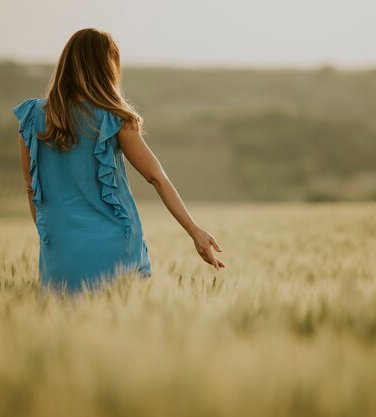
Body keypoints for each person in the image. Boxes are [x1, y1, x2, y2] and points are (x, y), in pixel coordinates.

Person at [13, 28, 225, 294]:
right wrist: (195, 231)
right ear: (105, 68)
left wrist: (51, 239)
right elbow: (157, 177)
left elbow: (32, 189)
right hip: (115, 252)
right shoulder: (114, 118)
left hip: (61, 252)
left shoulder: (32, 117)